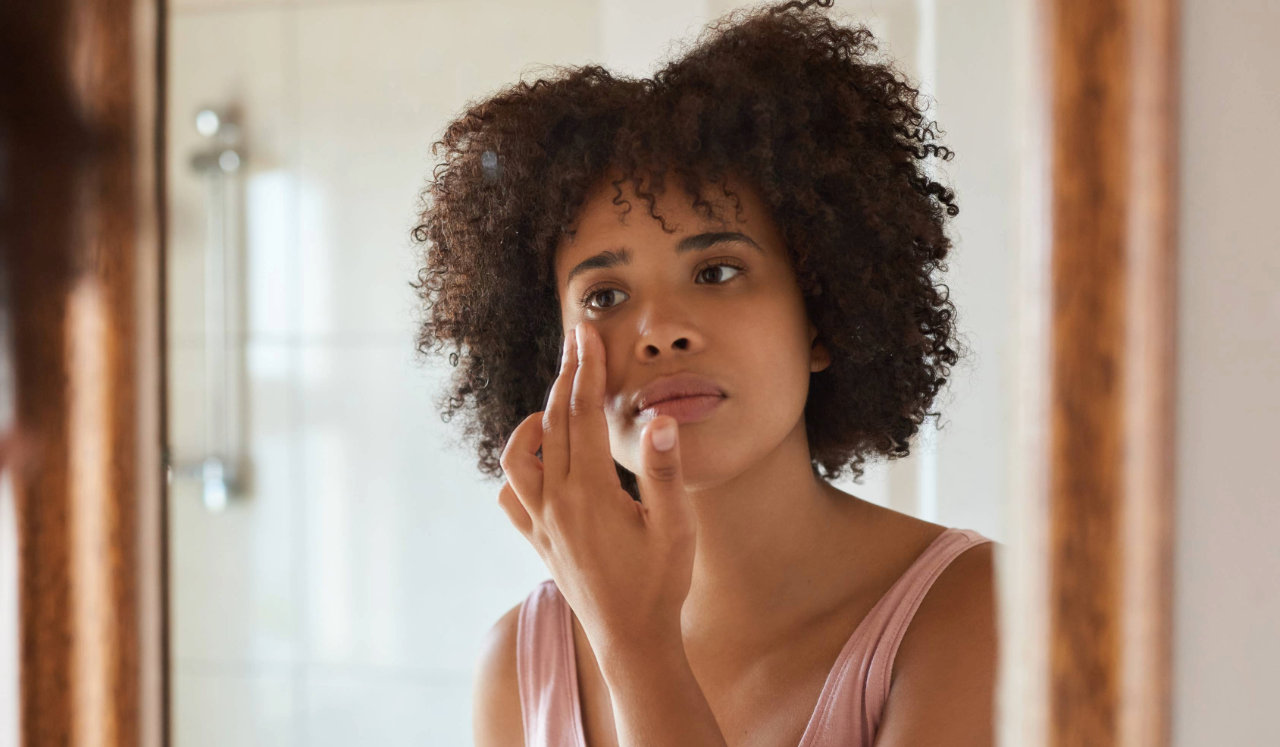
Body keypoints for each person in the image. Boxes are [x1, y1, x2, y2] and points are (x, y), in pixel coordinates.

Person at [411, 1, 997, 745]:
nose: (660, 332)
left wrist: (636, 641)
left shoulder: (972, 608)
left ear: (821, 315)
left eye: (718, 270)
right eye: (606, 296)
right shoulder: (519, 666)